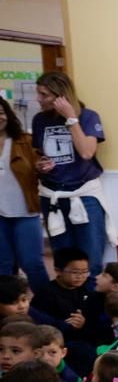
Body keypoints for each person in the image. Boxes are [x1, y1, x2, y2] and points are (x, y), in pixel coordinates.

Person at [30, 73, 109, 275]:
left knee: (90, 260)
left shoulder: (88, 116)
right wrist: (40, 164)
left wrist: (70, 117)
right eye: (38, 93)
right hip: (52, 196)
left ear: (61, 95)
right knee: (63, 261)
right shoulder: (40, 120)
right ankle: (68, 304)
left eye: (44, 94)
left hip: (83, 196)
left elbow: (86, 152)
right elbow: (38, 154)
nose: (39, 99)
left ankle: (89, 304)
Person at [0, 98, 46, 293]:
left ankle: (46, 306)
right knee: (3, 265)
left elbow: (41, 166)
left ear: (8, 115)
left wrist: (42, 167)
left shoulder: (25, 141)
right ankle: (7, 310)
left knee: (32, 264)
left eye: (1, 112)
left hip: (26, 213)